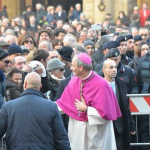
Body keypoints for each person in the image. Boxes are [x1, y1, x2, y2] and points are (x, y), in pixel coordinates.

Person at [56, 53, 121, 150]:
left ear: (81, 67)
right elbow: (64, 104)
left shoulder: (102, 84)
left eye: (73, 66)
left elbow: (107, 114)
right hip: (77, 128)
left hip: (96, 131)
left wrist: (86, 109)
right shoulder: (74, 80)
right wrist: (48, 108)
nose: (70, 68)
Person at [0, 72, 71, 150]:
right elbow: (61, 138)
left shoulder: (8, 106)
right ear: (40, 86)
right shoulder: (51, 106)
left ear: (25, 84)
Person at [102, 59, 135, 150]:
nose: (114, 70)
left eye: (115, 67)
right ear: (104, 70)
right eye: (111, 67)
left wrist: (131, 125)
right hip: (104, 125)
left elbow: (125, 105)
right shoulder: (98, 85)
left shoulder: (121, 84)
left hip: (119, 125)